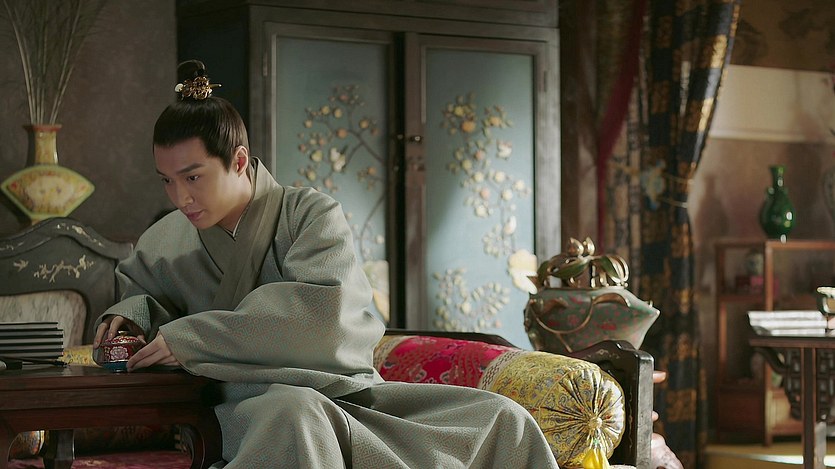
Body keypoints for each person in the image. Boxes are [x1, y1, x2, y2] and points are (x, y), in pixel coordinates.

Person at [93, 59, 559, 468]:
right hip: (247, 402)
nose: (181, 198)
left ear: (238, 160)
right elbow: (143, 295)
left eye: (193, 177)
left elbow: (323, 318)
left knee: (502, 419)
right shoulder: (165, 239)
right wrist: (128, 317)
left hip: (346, 392)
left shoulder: (309, 215)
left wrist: (193, 337)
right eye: (167, 181)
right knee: (294, 415)